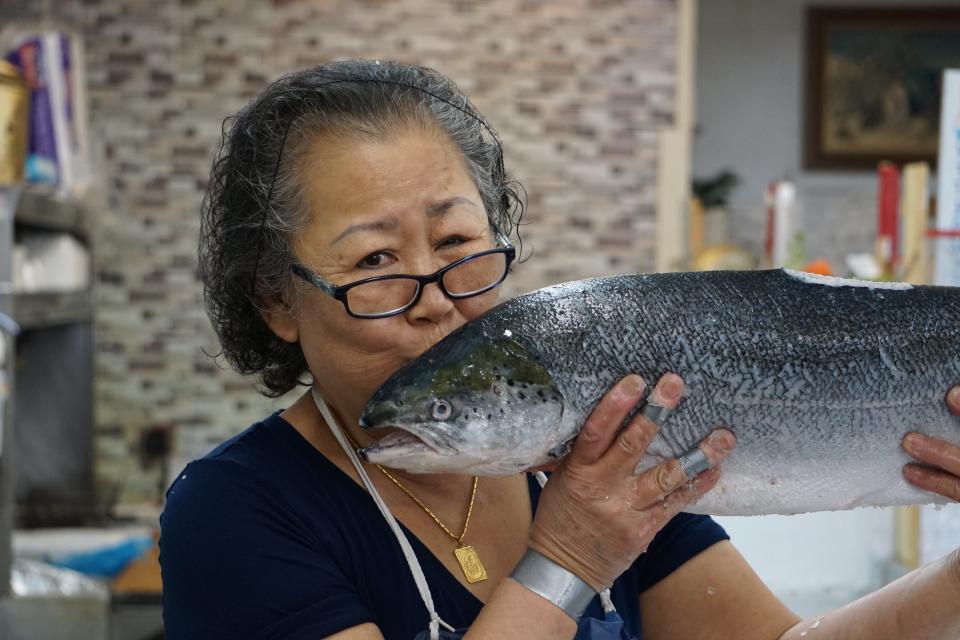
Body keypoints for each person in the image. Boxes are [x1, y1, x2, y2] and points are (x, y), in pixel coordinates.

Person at [159, 59, 960, 639]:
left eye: (456, 242)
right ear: (275, 300)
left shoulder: (598, 460)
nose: (437, 298)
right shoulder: (233, 512)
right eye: (375, 261)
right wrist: (570, 556)